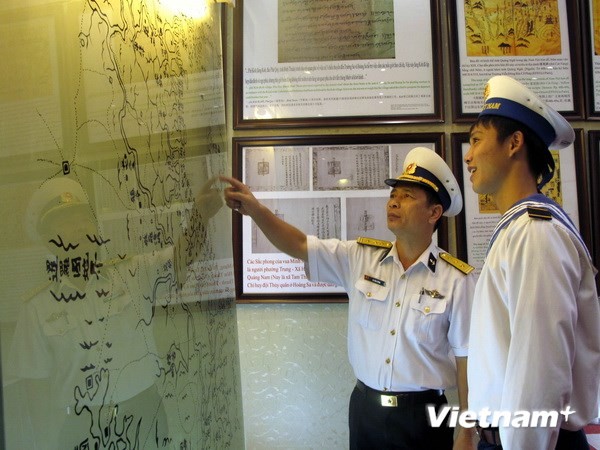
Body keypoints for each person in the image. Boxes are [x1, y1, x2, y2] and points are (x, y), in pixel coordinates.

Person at [221, 147, 477, 450]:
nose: (394, 201)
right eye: (393, 194)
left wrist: (467, 431)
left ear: (434, 213)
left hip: (424, 417)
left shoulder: (457, 280)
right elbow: (300, 245)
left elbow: (467, 361)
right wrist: (256, 211)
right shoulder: (360, 257)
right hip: (365, 410)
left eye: (408, 196)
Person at [464, 75, 600, 450]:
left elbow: (539, 370)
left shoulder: (534, 233)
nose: (468, 155)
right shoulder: (521, 228)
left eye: (476, 140)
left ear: (514, 143)